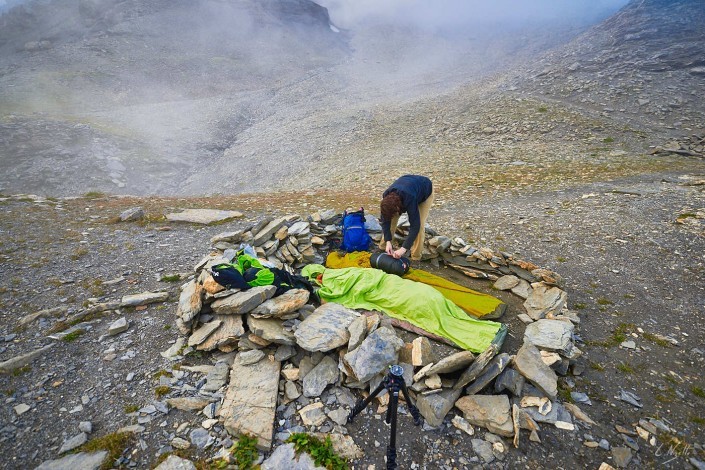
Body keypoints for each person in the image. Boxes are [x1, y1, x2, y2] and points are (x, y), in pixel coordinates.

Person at [378, 174, 434, 261]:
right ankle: (384, 247)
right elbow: (385, 221)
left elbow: (415, 226)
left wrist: (403, 249)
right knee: (391, 220)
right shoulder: (386, 197)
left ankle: (416, 257)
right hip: (408, 184)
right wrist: (388, 241)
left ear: (398, 208)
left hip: (424, 190)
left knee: (420, 225)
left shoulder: (409, 198)